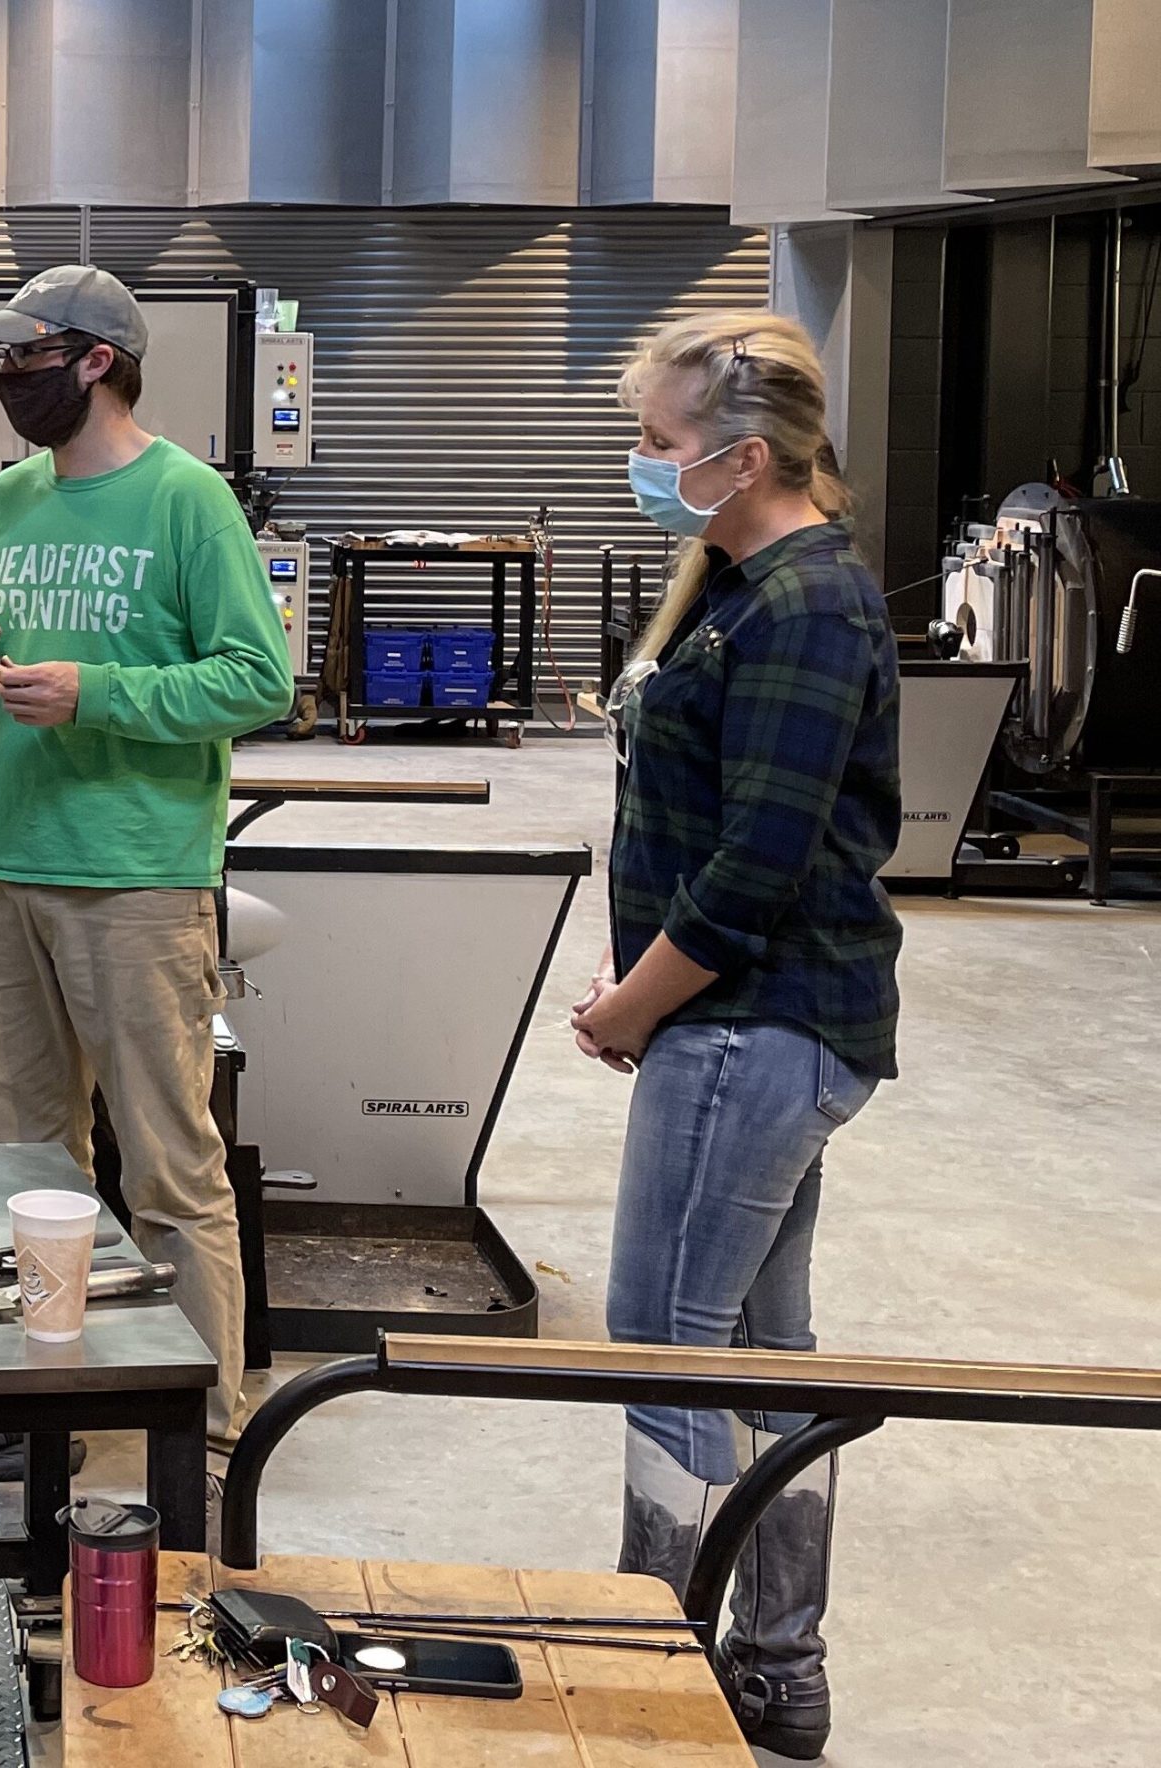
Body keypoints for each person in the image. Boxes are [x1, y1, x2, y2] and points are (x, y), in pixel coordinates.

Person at [571, 312, 900, 1762]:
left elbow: (761, 862)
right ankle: (773, 1670)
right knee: (764, 1350)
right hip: (745, 1022)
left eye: (657, 441)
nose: (641, 464)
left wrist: (635, 1002)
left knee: (662, 1343)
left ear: (743, 455)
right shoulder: (740, 585)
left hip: (753, 1029)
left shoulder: (806, 606)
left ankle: (660, 1668)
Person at [0, 266, 295, 1487]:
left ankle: (207, 1421)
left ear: (93, 359)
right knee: (26, 1157)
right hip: (5, 860)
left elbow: (257, 680)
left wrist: (101, 693)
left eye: (23, 356)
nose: (3, 378)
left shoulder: (188, 502)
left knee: (166, 1162)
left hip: (136, 873)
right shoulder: (8, 501)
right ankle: (54, 1392)